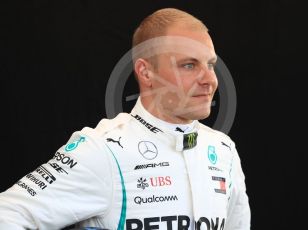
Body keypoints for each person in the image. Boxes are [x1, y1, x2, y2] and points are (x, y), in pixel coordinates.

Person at [0, 8, 250, 230]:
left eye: (211, 64)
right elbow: (7, 214)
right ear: (146, 72)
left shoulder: (223, 149)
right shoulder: (103, 150)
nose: (210, 80)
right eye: (189, 65)